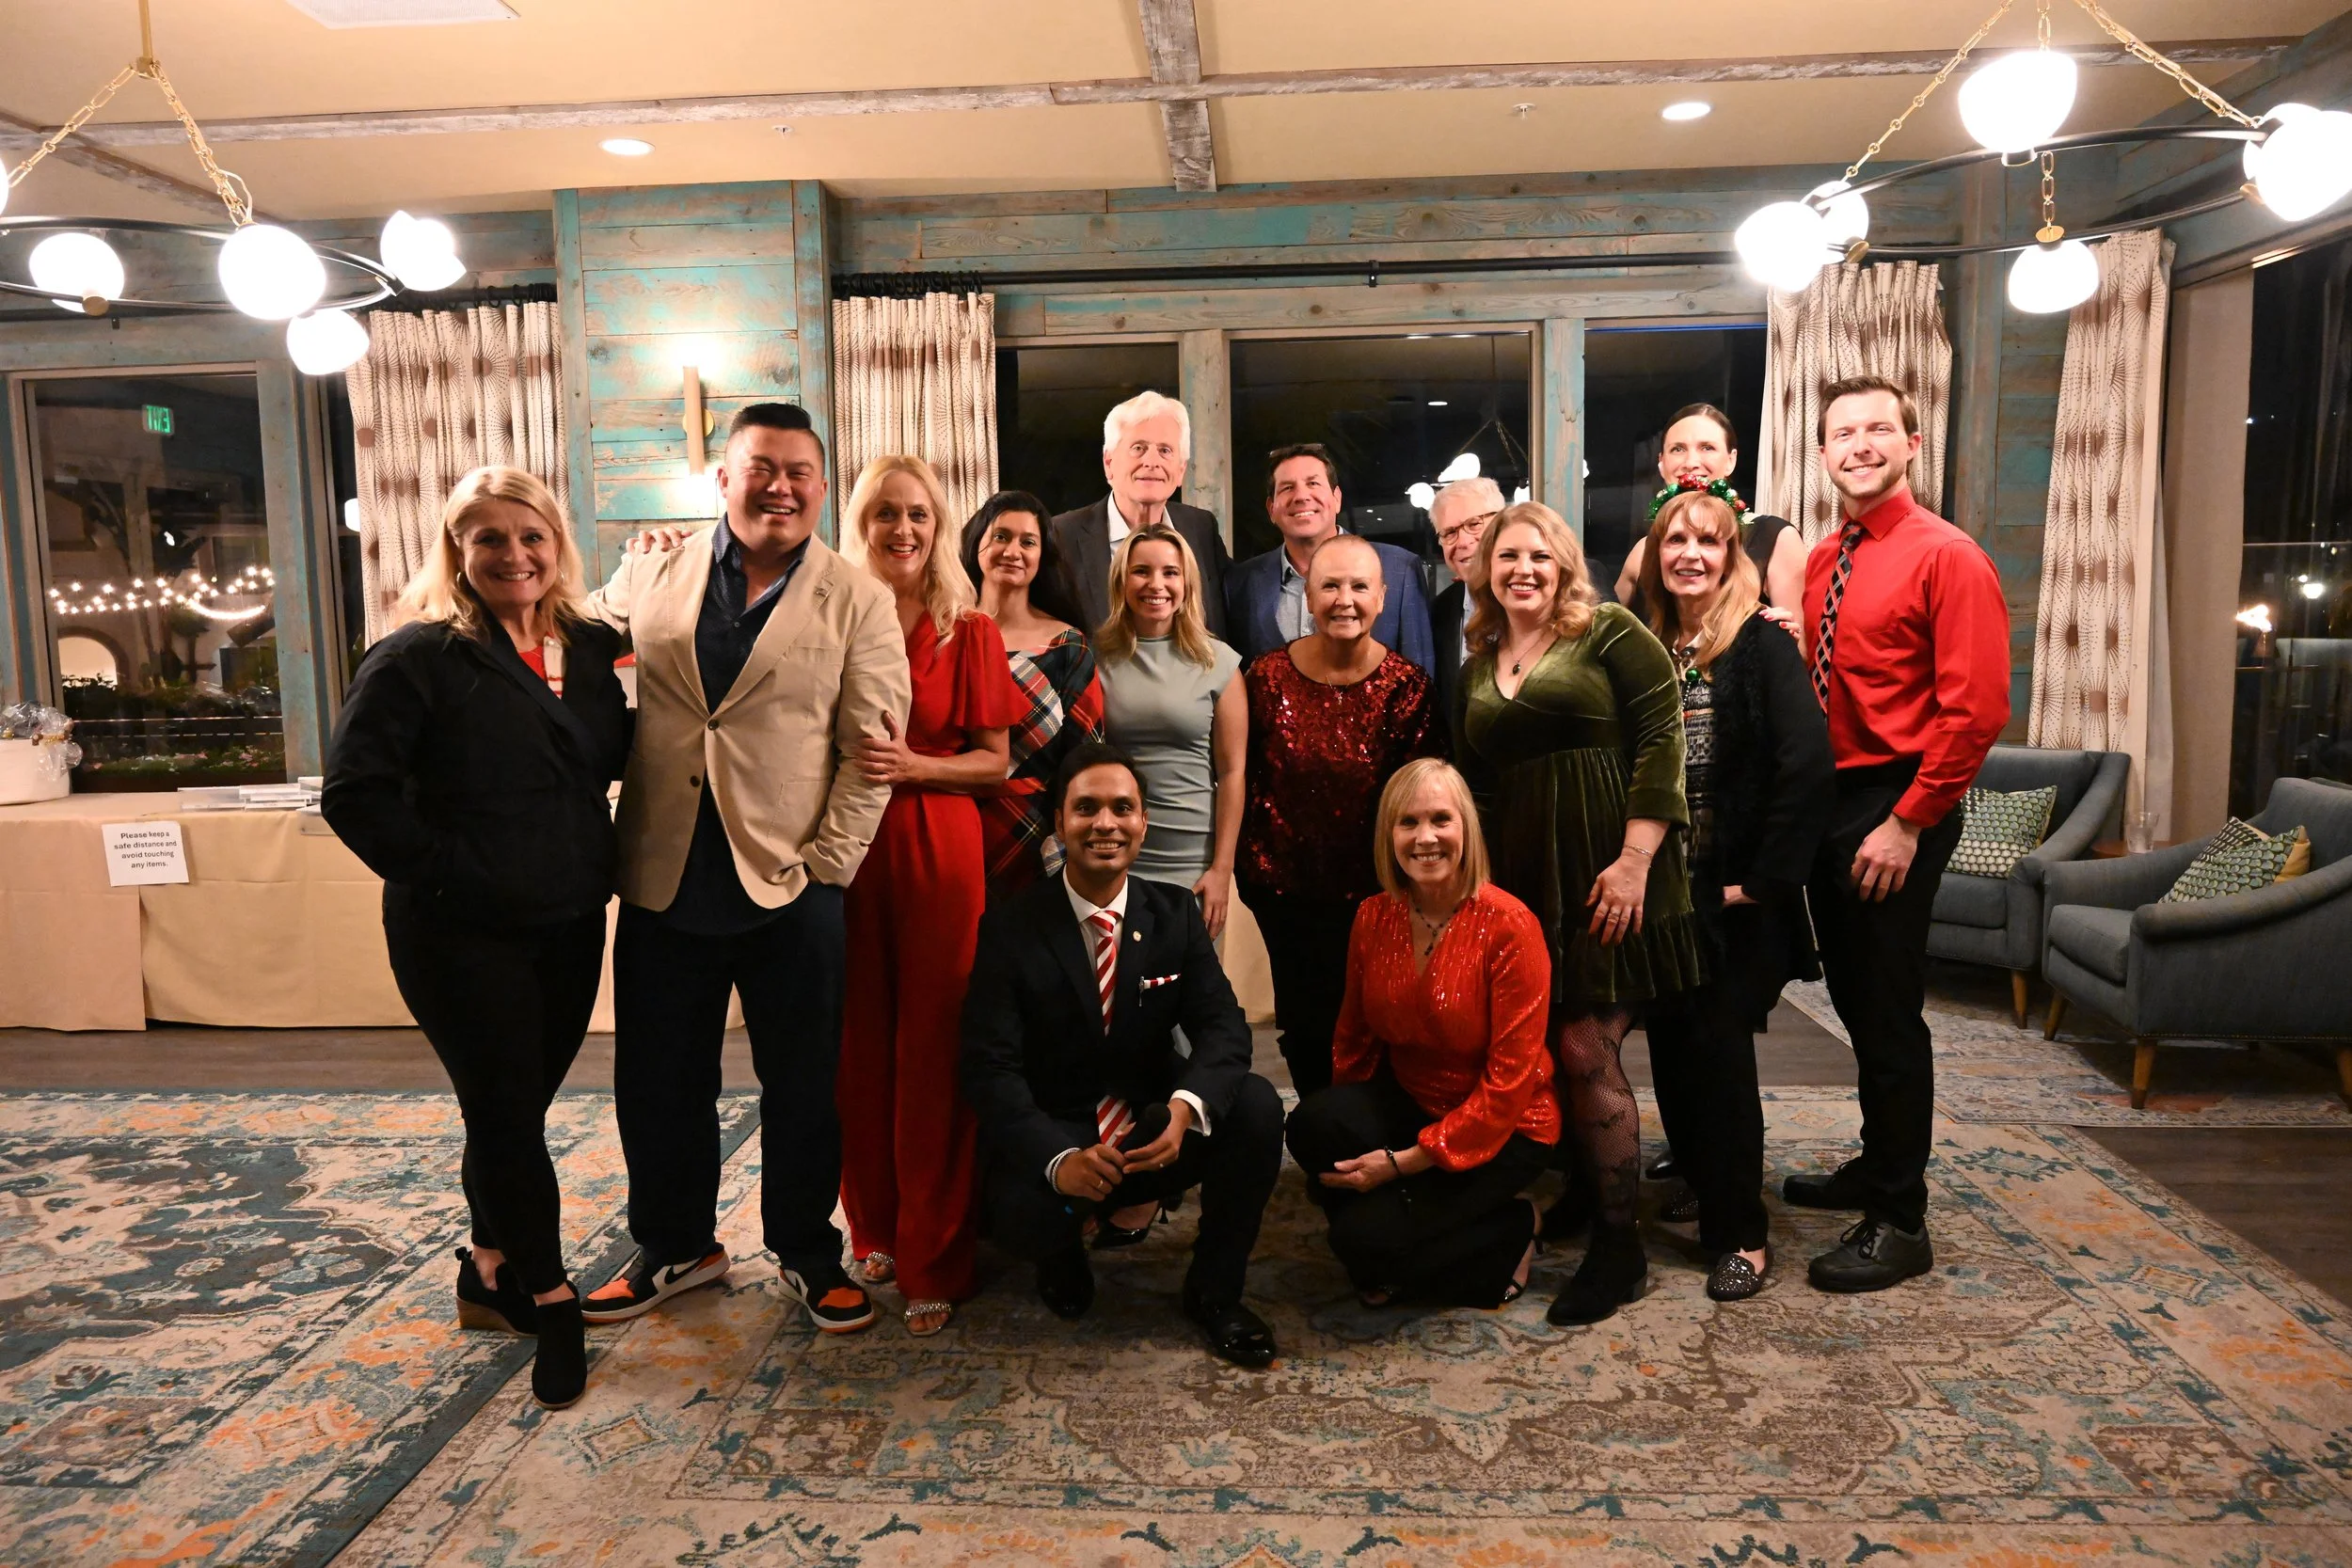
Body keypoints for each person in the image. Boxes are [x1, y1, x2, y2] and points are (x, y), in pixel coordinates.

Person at [578, 403, 910, 1343]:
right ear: (722, 479)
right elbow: (568, 628)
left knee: (803, 1082)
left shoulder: (858, 597)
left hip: (791, 885)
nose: (781, 485)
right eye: (761, 465)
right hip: (664, 870)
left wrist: (828, 865)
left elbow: (872, 750)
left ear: (820, 483)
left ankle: (806, 1249)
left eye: (800, 470)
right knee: (657, 1078)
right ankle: (677, 1245)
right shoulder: (654, 566)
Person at [324, 467, 631, 1411]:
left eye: (530, 535)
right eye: (488, 537)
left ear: (557, 543)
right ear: (457, 550)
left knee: (515, 1104)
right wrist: (452, 863)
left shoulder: (596, 645)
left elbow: (622, 757)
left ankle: (488, 1263)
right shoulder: (416, 655)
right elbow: (354, 793)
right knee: (503, 1110)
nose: (513, 555)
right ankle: (551, 1293)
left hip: (571, 916)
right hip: (460, 927)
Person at [1454, 500, 1701, 1328]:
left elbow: (1662, 735)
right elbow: (1478, 788)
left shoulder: (1608, 632)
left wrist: (1635, 861)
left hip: (1612, 874)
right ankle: (1583, 1192)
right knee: (1541, 1045)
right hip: (1526, 884)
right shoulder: (1478, 659)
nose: (1523, 569)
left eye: (1538, 555)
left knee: (1584, 1044)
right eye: (1506, 556)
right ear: (1486, 570)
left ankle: (1619, 1245)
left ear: (1563, 563)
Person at [960, 742, 1285, 1368]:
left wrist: (1187, 1110)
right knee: (1018, 1217)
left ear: (1143, 822)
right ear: (1059, 822)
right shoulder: (1011, 925)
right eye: (1086, 808)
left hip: (1150, 1130)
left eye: (1121, 808)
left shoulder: (1174, 915)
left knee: (1255, 1107)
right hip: (1057, 1144)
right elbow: (988, 1067)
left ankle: (1214, 1292)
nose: (1104, 823)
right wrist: (1059, 1159)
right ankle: (1060, 1255)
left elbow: (1223, 1027)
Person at [1788, 374, 2010, 1292]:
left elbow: (1975, 710)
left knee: (1885, 1010)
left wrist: (1907, 822)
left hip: (1895, 800)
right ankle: (1875, 1167)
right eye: (1843, 432)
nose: (1861, 443)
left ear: (1911, 444)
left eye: (1879, 427)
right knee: (1848, 997)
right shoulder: (1822, 559)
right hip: (1832, 801)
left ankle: (1900, 1216)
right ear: (1824, 452)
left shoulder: (1946, 555)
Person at [835, 455, 1025, 1337]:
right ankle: (869, 1221)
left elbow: (997, 763)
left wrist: (914, 765)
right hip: (843, 849)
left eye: (916, 513)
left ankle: (934, 1251)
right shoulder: (827, 615)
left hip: (941, 848)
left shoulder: (971, 628)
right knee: (857, 1043)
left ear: (938, 526)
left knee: (936, 1051)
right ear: (861, 523)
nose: (902, 529)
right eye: (884, 514)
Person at [1633, 492, 1834, 1302]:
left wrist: (1769, 877)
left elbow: (1807, 764)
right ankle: (1703, 1185)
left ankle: (1743, 1234)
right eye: (1674, 539)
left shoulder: (1760, 643)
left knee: (1720, 1058)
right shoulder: (1650, 644)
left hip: (1737, 896)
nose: (1690, 553)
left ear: (1730, 555)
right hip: (1665, 895)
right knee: (1675, 1053)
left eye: (1707, 541)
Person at [1285, 759, 1558, 1309]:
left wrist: (1401, 1163)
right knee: (1312, 1127)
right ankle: (1400, 1230)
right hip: (1413, 1100)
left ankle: (1514, 1225)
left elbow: (1510, 1083)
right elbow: (1355, 1038)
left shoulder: (1510, 925)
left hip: (1503, 1127)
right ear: (1390, 834)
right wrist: (1351, 1131)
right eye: (1408, 822)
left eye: (1441, 819)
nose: (1425, 837)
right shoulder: (1373, 916)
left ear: (1467, 830)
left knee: (1361, 1243)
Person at [1238, 533, 1436, 1099]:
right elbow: (1240, 774)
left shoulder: (1408, 687)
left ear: (1382, 597)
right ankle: (1321, 1135)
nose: (1343, 599)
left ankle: (1368, 1141)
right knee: (1303, 1024)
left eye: (1358, 586)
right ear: (1308, 594)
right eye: (1329, 585)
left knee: (1377, 1022)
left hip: (1376, 893)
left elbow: (1420, 797)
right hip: (1281, 888)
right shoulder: (1265, 678)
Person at [1094, 522, 1246, 941]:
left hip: (1193, 857)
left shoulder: (1222, 663)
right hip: (1114, 850)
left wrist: (1221, 870)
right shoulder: (1094, 657)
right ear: (1122, 580)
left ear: (1187, 583)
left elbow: (1233, 774)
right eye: (1141, 571)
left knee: (1189, 992)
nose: (1155, 584)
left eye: (1170, 572)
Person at [961, 489, 1105, 896]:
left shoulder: (1066, 645)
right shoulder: (946, 633)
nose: (1013, 551)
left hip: (1038, 840)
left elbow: (1086, 761)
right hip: (952, 828)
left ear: (1043, 557)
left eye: (1028, 542)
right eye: (1001, 536)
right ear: (977, 545)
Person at [1225, 444, 1436, 673]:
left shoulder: (1400, 569)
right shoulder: (1241, 583)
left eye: (1313, 483)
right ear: (1271, 509)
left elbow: (1421, 677)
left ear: (1337, 498)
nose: (1301, 496)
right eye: (1287, 488)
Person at [1054, 389, 1231, 637]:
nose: (1152, 462)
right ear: (1109, 463)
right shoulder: (1062, 536)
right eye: (1138, 448)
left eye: (1165, 450)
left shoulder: (1201, 528)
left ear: (1180, 470)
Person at [1613, 404, 1805, 615]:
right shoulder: (1642, 549)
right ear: (1661, 463)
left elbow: (1797, 644)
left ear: (1731, 460)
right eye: (1678, 449)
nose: (1691, 462)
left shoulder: (1775, 538)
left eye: (1707, 448)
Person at [1428, 476, 1504, 721]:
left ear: (1503, 523)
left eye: (1474, 524)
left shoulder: (1546, 592)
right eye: (1449, 532)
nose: (1462, 542)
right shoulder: (1438, 613)